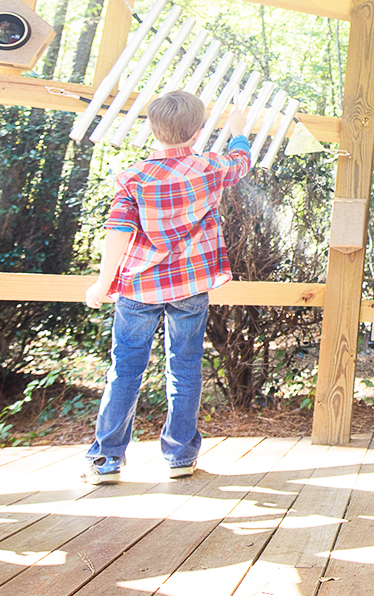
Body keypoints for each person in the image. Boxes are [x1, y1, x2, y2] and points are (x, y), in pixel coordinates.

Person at [81, 91, 250, 484]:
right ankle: (180, 457)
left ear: (152, 129)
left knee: (125, 369)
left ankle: (106, 460)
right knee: (185, 367)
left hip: (139, 288)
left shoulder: (134, 177)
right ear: (199, 130)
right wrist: (238, 130)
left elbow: (118, 232)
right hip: (190, 287)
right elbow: (240, 161)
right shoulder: (209, 167)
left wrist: (103, 283)